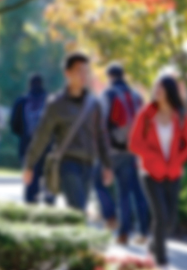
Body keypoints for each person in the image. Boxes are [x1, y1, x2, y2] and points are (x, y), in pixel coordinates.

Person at [23, 53, 113, 211]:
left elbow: (101, 135)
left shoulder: (94, 103)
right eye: (79, 71)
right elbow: (42, 136)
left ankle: (68, 234)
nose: (84, 75)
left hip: (89, 164)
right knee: (79, 208)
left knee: (78, 211)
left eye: (86, 71)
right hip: (68, 162)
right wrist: (29, 164)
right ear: (67, 73)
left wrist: (107, 165)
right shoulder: (56, 104)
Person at [130, 76, 187, 269]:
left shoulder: (180, 115)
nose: (156, 91)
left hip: (173, 173)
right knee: (161, 215)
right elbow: (134, 144)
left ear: (169, 91)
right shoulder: (145, 114)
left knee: (170, 220)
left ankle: (154, 244)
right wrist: (154, 157)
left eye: (160, 88)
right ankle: (162, 261)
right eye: (155, 88)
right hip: (149, 172)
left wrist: (177, 160)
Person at [101, 62, 149, 244]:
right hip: (136, 150)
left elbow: (102, 124)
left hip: (115, 150)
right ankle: (144, 231)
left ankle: (123, 232)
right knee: (137, 191)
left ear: (109, 76)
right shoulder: (137, 95)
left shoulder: (108, 94)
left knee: (111, 188)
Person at [11, 74, 54, 204]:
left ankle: (31, 200)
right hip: (48, 145)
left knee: (30, 172)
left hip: (27, 144)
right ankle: (49, 197)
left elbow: (14, 125)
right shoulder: (51, 101)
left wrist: (24, 134)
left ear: (29, 84)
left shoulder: (21, 101)